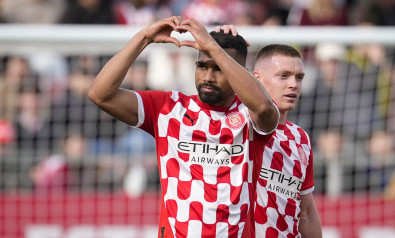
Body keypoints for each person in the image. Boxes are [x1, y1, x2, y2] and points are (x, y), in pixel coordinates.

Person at [88, 16, 279, 237]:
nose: (207, 77)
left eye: (219, 69)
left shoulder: (250, 115)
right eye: (202, 66)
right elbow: (100, 94)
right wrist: (143, 38)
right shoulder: (169, 108)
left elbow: (265, 108)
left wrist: (212, 46)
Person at [243, 44, 322, 237]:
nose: (294, 84)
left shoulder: (300, 138)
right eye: (283, 76)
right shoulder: (239, 123)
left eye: (299, 77)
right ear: (257, 78)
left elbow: (307, 212)